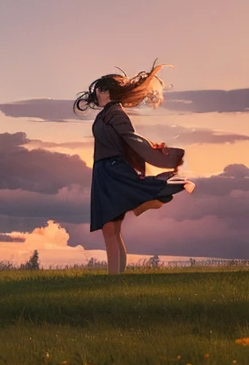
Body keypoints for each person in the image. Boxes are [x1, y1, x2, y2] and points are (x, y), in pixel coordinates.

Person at [74, 61, 194, 275]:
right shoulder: (106, 114)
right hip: (103, 172)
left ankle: (113, 278)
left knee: (110, 228)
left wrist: (164, 156)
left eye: (100, 90)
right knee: (112, 228)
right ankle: (116, 278)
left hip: (114, 171)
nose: (97, 94)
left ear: (107, 91)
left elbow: (133, 139)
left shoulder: (116, 114)